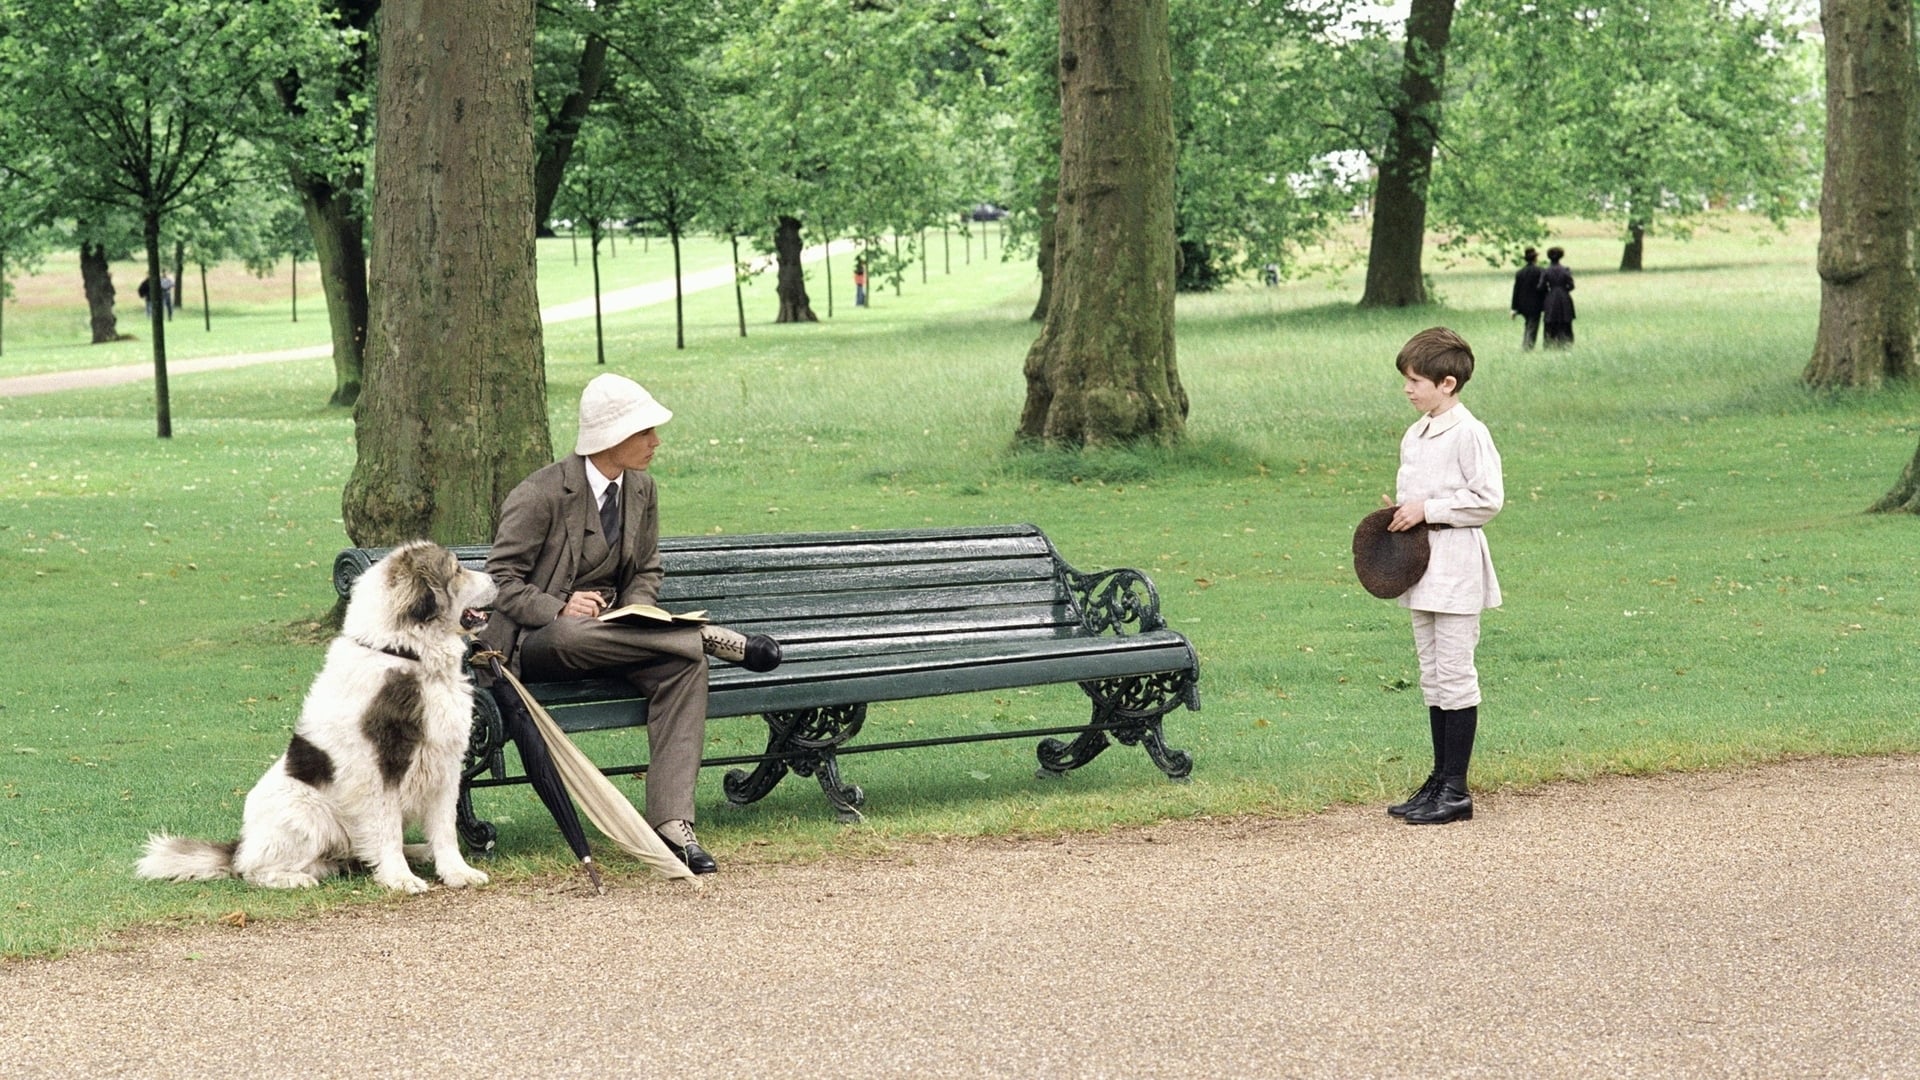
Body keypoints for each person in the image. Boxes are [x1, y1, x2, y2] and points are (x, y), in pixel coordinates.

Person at [479, 373, 782, 875]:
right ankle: (699, 635)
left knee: (686, 666)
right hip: (540, 643)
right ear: (612, 438)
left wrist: (634, 610)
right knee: (586, 633)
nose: (655, 443)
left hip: (617, 635)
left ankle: (671, 824)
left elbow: (645, 570)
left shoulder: (641, 488)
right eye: (646, 432)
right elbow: (500, 582)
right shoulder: (540, 494)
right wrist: (557, 607)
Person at [1382, 327, 1503, 825]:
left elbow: (1487, 500)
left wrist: (1427, 509)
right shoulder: (1417, 432)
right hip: (1420, 567)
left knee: (1454, 674)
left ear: (1447, 383)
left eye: (1415, 381)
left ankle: (1457, 789)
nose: (1407, 389)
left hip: (1455, 565)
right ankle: (1437, 780)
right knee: (1432, 676)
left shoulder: (1469, 432)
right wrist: (1400, 514)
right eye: (1406, 380)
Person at [1509, 247, 1546, 350]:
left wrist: (1514, 308)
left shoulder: (1520, 273)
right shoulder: (1540, 271)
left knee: (1528, 324)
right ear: (1535, 258)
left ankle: (1526, 344)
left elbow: (1516, 291)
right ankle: (1527, 346)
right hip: (1536, 304)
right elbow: (1543, 289)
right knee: (1532, 326)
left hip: (1523, 305)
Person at [1540, 246, 1574, 348]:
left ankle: (1549, 342)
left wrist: (1548, 291)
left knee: (1550, 321)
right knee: (1565, 320)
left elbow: (1541, 286)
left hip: (1551, 298)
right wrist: (1564, 290)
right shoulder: (1565, 270)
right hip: (1564, 297)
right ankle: (1565, 342)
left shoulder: (1546, 271)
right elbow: (1571, 285)